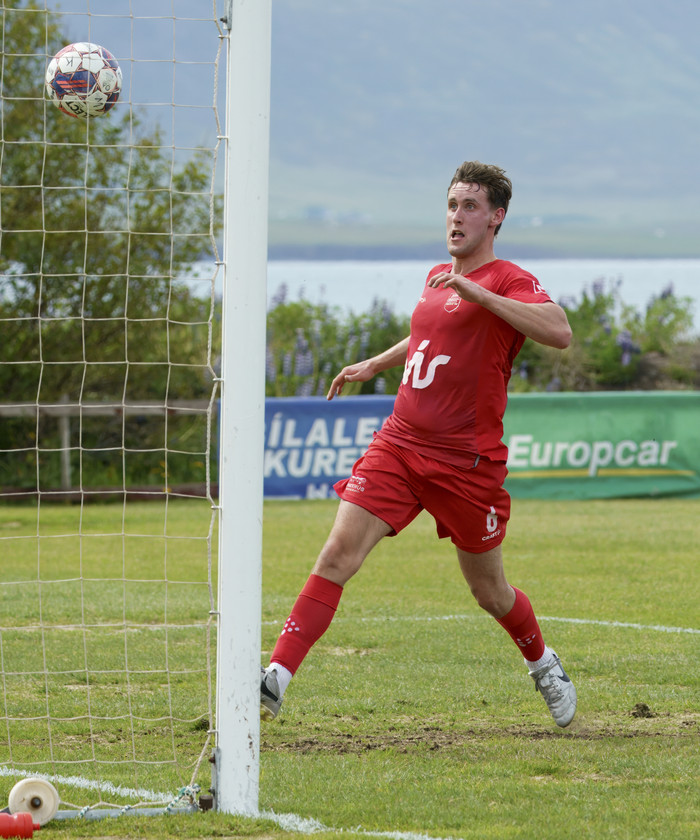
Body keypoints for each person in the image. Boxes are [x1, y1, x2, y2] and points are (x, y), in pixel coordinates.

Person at [260, 160, 577, 727]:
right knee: (337, 554)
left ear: (496, 217)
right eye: (452, 205)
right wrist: (375, 363)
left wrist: (481, 295)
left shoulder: (506, 279)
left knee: (490, 592)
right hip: (400, 444)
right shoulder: (439, 275)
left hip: (465, 463)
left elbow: (559, 331)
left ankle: (542, 662)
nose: (456, 217)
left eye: (470, 207)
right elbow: (430, 332)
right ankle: (275, 679)